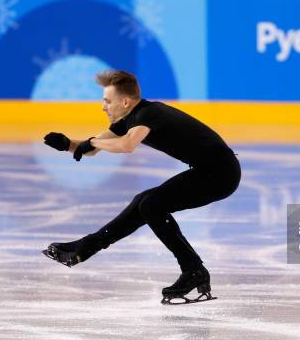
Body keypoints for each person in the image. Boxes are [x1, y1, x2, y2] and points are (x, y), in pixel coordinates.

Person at [42, 70, 241, 304]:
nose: (103, 107)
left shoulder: (149, 113)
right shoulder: (129, 120)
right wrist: (68, 145)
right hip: (206, 171)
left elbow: (126, 145)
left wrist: (92, 142)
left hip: (221, 173)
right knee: (143, 202)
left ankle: (194, 271)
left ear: (125, 101)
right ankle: (86, 247)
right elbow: (92, 148)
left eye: (107, 101)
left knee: (151, 205)